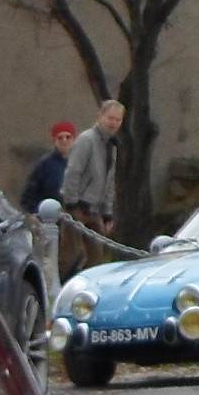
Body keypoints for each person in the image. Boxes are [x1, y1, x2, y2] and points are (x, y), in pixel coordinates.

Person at [58, 101, 126, 279]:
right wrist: (72, 203)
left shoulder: (111, 146)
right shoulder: (86, 140)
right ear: (100, 116)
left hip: (95, 209)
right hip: (78, 206)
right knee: (72, 255)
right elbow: (73, 171)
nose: (113, 123)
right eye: (110, 118)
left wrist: (107, 213)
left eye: (118, 120)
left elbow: (108, 181)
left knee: (97, 257)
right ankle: (64, 288)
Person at [19, 122, 77, 214]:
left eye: (68, 137)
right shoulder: (45, 165)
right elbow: (28, 197)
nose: (64, 140)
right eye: (60, 137)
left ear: (74, 139)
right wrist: (38, 214)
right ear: (54, 140)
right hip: (50, 219)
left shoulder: (82, 163)